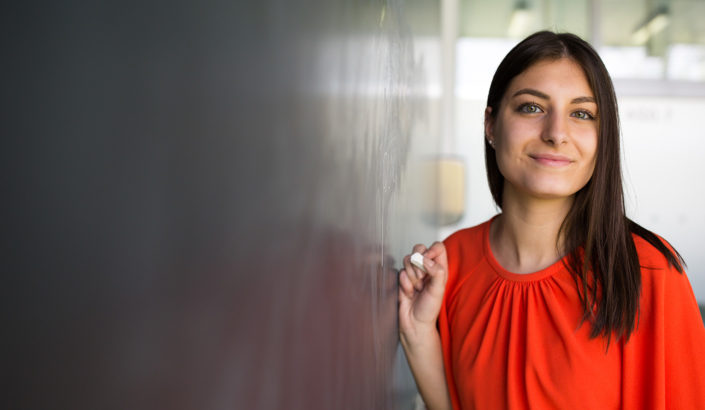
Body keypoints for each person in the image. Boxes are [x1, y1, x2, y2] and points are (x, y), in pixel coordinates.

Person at [398, 31, 705, 410]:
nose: (557, 133)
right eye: (531, 107)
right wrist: (418, 334)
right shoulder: (450, 266)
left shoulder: (648, 271)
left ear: (602, 136)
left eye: (581, 114)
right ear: (491, 125)